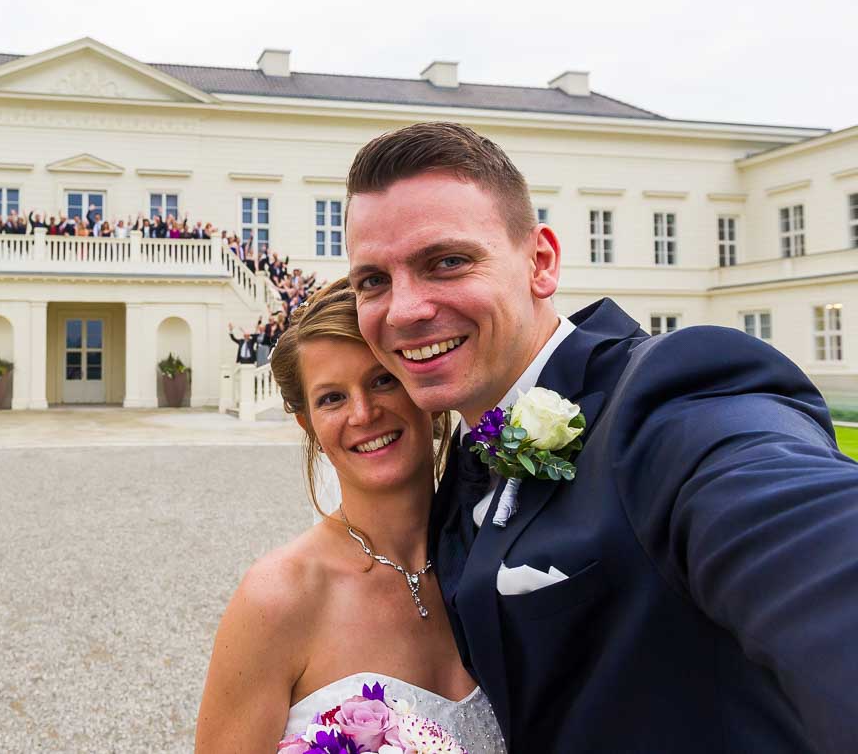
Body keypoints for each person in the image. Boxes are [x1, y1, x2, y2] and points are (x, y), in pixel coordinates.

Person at [344, 121, 858, 753]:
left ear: (540, 262)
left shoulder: (674, 392)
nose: (404, 310)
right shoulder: (459, 463)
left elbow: (803, 535)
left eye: (447, 262)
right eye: (373, 280)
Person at [196, 280, 504, 753]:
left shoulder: (501, 552)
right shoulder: (277, 599)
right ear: (310, 426)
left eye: (383, 380)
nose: (363, 413)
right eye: (332, 398)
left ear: (423, 386)